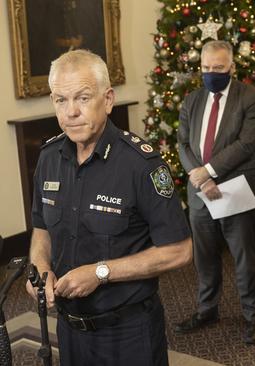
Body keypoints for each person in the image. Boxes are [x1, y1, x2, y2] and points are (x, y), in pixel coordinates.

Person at [27, 49, 193, 365]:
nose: (71, 111)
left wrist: (101, 272)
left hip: (128, 332)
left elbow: (180, 250)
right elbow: (41, 229)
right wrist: (41, 269)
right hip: (69, 330)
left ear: (108, 100)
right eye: (61, 100)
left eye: (83, 98)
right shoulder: (49, 158)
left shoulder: (141, 165)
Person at [175, 40, 255, 344]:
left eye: (219, 68)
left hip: (235, 188)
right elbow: (183, 144)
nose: (211, 73)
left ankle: (253, 315)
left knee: (243, 256)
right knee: (205, 256)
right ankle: (207, 309)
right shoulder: (191, 100)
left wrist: (209, 172)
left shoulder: (251, 97)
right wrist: (201, 179)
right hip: (201, 191)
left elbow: (246, 144)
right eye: (206, 68)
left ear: (232, 67)